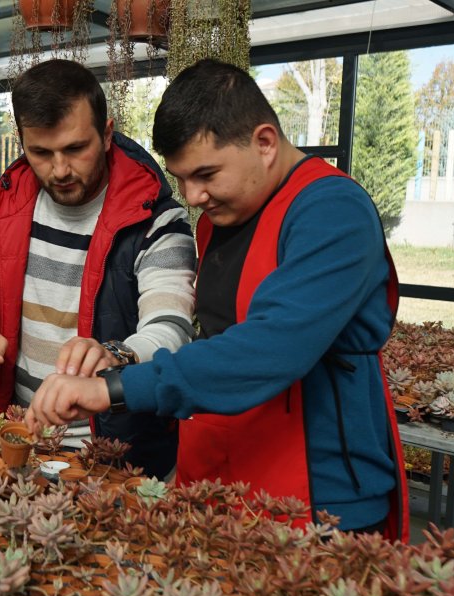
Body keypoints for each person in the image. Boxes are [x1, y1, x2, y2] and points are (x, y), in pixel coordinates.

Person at [24, 59, 409, 540]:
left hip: (319, 495)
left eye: (206, 173)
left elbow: (271, 347)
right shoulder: (218, 220)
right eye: (180, 178)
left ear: (264, 143)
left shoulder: (332, 211)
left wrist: (111, 388)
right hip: (229, 473)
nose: (193, 195)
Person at [0, 59, 197, 478]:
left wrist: (116, 353)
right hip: (22, 439)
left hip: (117, 457)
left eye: (75, 148)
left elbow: (172, 327)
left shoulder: (156, 220)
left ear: (105, 133)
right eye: (41, 153)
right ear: (21, 140)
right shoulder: (5, 208)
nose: (59, 169)